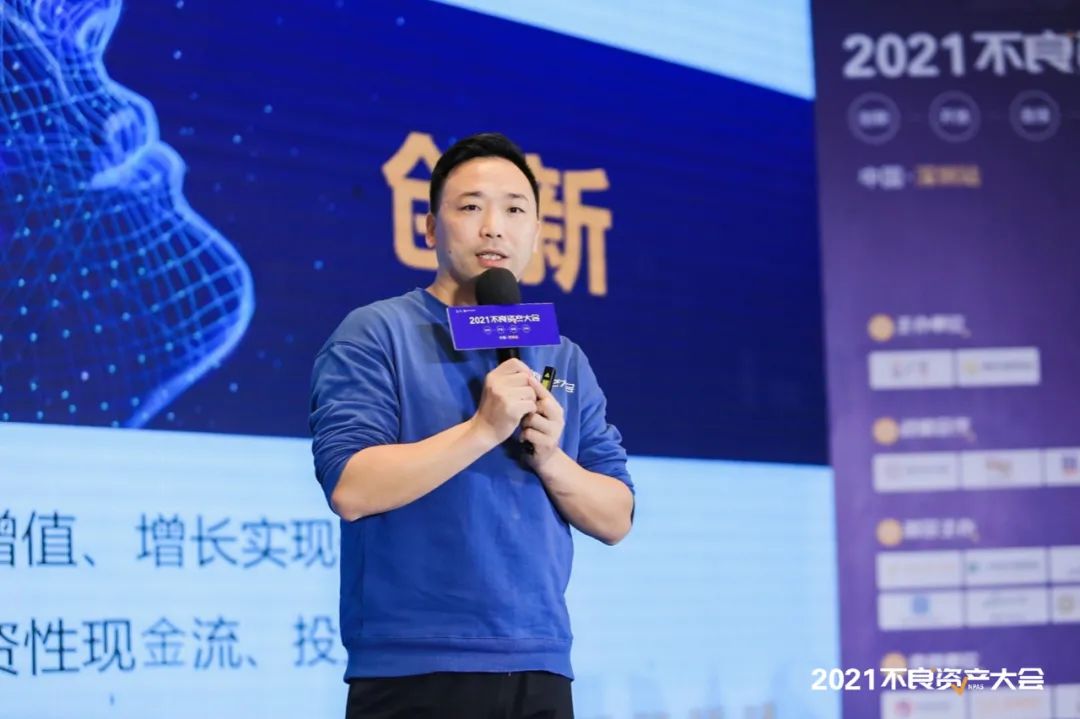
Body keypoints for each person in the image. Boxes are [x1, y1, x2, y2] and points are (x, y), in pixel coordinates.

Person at [309, 132, 634, 718]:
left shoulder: (562, 356)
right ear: (430, 228)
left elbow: (616, 516)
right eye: (470, 207)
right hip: (415, 666)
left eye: (515, 210)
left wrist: (552, 459)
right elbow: (352, 488)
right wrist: (483, 429)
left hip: (540, 660)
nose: (494, 228)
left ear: (537, 231)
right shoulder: (376, 333)